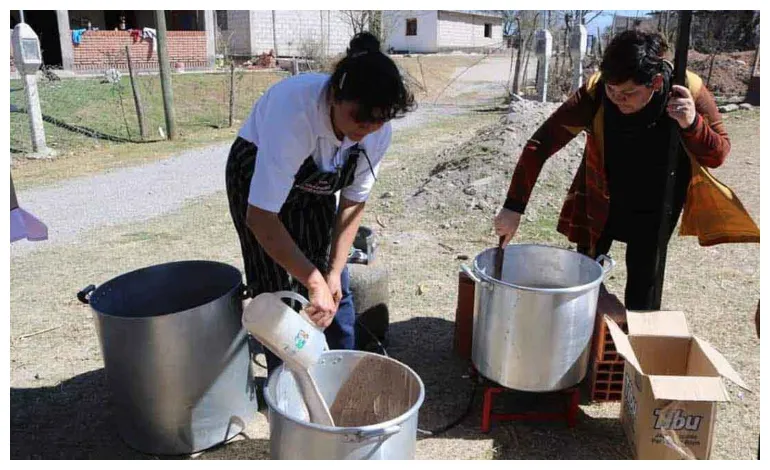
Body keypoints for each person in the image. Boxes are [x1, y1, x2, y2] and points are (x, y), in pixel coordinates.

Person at [494, 30, 731, 310]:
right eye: (612, 90)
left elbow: (718, 154)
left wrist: (692, 124)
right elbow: (540, 144)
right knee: (583, 275)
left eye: (629, 93)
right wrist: (514, 206)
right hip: (601, 194)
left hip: (657, 202)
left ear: (655, 82)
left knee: (644, 284)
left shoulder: (687, 89)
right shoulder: (595, 92)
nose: (618, 99)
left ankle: (634, 343)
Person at [226, 32, 415, 374]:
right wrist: (313, 281)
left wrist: (333, 272)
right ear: (334, 96)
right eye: (359, 117)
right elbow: (262, 217)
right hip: (258, 169)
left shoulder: (375, 131)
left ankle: (340, 373)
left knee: (334, 284)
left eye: (378, 121)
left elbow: (353, 204)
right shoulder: (294, 113)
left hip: (315, 184)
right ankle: (287, 384)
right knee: (276, 285)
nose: (367, 129)